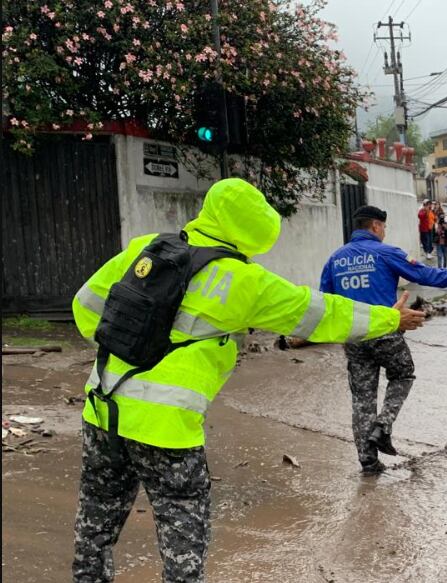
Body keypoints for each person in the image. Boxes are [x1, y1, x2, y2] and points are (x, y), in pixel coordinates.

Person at [70, 179, 426, 582]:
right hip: (166, 428)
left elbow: (85, 307)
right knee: (182, 529)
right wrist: (390, 319)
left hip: (101, 407)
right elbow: (322, 314)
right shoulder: (243, 281)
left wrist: (131, 344)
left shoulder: (146, 247)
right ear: (256, 230)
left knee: (95, 522)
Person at [320, 205, 447, 473]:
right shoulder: (386, 252)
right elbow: (422, 274)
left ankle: (368, 462)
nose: (384, 232)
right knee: (403, 374)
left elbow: (324, 299)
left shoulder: (335, 259)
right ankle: (384, 425)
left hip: (354, 336)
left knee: (362, 399)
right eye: (383, 227)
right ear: (375, 227)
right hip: (385, 329)